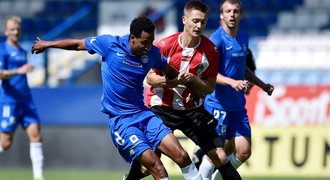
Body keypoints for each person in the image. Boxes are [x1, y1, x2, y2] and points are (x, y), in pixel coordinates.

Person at [31, 16, 203, 180]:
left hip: (144, 114)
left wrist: (189, 86)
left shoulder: (153, 53)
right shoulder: (109, 45)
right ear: (133, 37)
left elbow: (171, 74)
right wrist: (47, 44)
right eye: (144, 42)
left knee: (181, 156)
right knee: (157, 167)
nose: (148, 46)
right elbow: (77, 44)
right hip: (122, 122)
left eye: (151, 42)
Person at [124, 1, 242, 180]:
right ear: (184, 20)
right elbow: (149, 78)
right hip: (162, 109)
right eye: (195, 21)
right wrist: (169, 81)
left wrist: (193, 79)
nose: (199, 26)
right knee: (147, 166)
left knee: (220, 157)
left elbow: (209, 87)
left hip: (192, 111)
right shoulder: (164, 45)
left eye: (202, 22)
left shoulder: (210, 50)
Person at [197, 0, 274, 179]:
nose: (232, 14)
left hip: (238, 107)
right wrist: (232, 82)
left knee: (244, 151)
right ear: (222, 15)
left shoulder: (243, 37)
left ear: (241, 15)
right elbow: (208, 73)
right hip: (218, 105)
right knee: (216, 153)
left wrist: (262, 85)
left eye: (236, 11)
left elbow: (242, 68)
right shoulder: (216, 40)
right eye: (228, 11)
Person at [0, 16, 45, 180]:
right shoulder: (3, 50)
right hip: (9, 101)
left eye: (18, 29)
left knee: (36, 135)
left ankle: (39, 177)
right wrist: (18, 71)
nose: (16, 32)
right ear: (6, 31)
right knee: (5, 143)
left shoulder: (22, 51)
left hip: (26, 101)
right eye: (12, 29)